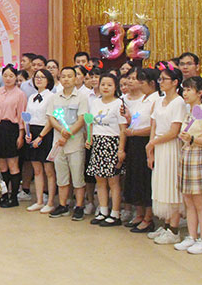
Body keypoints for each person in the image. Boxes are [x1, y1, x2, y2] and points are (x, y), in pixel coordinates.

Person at [174, 76, 202, 254]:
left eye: (189, 90)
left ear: (200, 93)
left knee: (201, 203)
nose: (185, 93)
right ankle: (192, 237)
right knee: (189, 201)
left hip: (200, 157)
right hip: (187, 155)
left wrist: (193, 139)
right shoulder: (190, 113)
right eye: (184, 90)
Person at [147, 66, 185, 245]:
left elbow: (174, 131)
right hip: (159, 146)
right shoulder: (159, 101)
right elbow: (154, 125)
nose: (161, 82)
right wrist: (151, 147)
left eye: (165, 79)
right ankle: (166, 223)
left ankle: (174, 229)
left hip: (171, 147)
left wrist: (154, 142)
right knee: (161, 185)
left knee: (172, 187)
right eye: (160, 79)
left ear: (175, 82)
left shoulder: (179, 102)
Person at [47, 66, 90, 219]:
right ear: (59, 79)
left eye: (69, 76)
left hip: (75, 143)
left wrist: (68, 133)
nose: (66, 79)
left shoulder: (82, 98)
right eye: (63, 76)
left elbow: (81, 119)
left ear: (75, 79)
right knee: (61, 177)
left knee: (77, 177)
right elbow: (51, 118)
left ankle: (79, 206)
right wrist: (61, 130)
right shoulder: (54, 98)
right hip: (58, 143)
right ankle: (63, 205)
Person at [85, 73, 126, 227]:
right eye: (103, 84)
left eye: (109, 85)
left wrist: (121, 150)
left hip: (112, 143)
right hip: (97, 142)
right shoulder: (95, 102)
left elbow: (123, 129)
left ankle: (115, 213)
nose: (106, 87)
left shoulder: (119, 103)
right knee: (100, 180)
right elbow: (90, 122)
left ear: (115, 87)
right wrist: (89, 138)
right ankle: (103, 211)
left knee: (113, 182)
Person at [123, 68, 158, 233]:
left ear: (152, 83)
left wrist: (134, 132)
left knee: (145, 180)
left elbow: (154, 127)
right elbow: (136, 120)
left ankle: (148, 218)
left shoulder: (156, 100)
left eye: (142, 81)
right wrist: (129, 119)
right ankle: (139, 214)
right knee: (135, 179)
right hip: (134, 142)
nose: (139, 84)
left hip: (146, 141)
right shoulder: (142, 99)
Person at [0, 65, 27, 208]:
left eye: (11, 76)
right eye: (5, 75)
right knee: (1, 164)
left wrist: (21, 135)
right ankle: (5, 194)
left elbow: (22, 115)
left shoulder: (20, 94)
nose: (8, 78)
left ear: (16, 77)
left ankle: (14, 197)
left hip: (12, 129)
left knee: (13, 164)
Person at [25, 68, 56, 213]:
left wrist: (41, 137)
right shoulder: (31, 97)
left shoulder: (52, 97)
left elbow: (51, 120)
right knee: (36, 169)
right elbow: (27, 117)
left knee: (48, 170)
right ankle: (38, 201)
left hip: (46, 133)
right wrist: (28, 133)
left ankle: (50, 202)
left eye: (42, 77)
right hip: (32, 132)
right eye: (37, 77)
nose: (39, 79)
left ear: (48, 80)